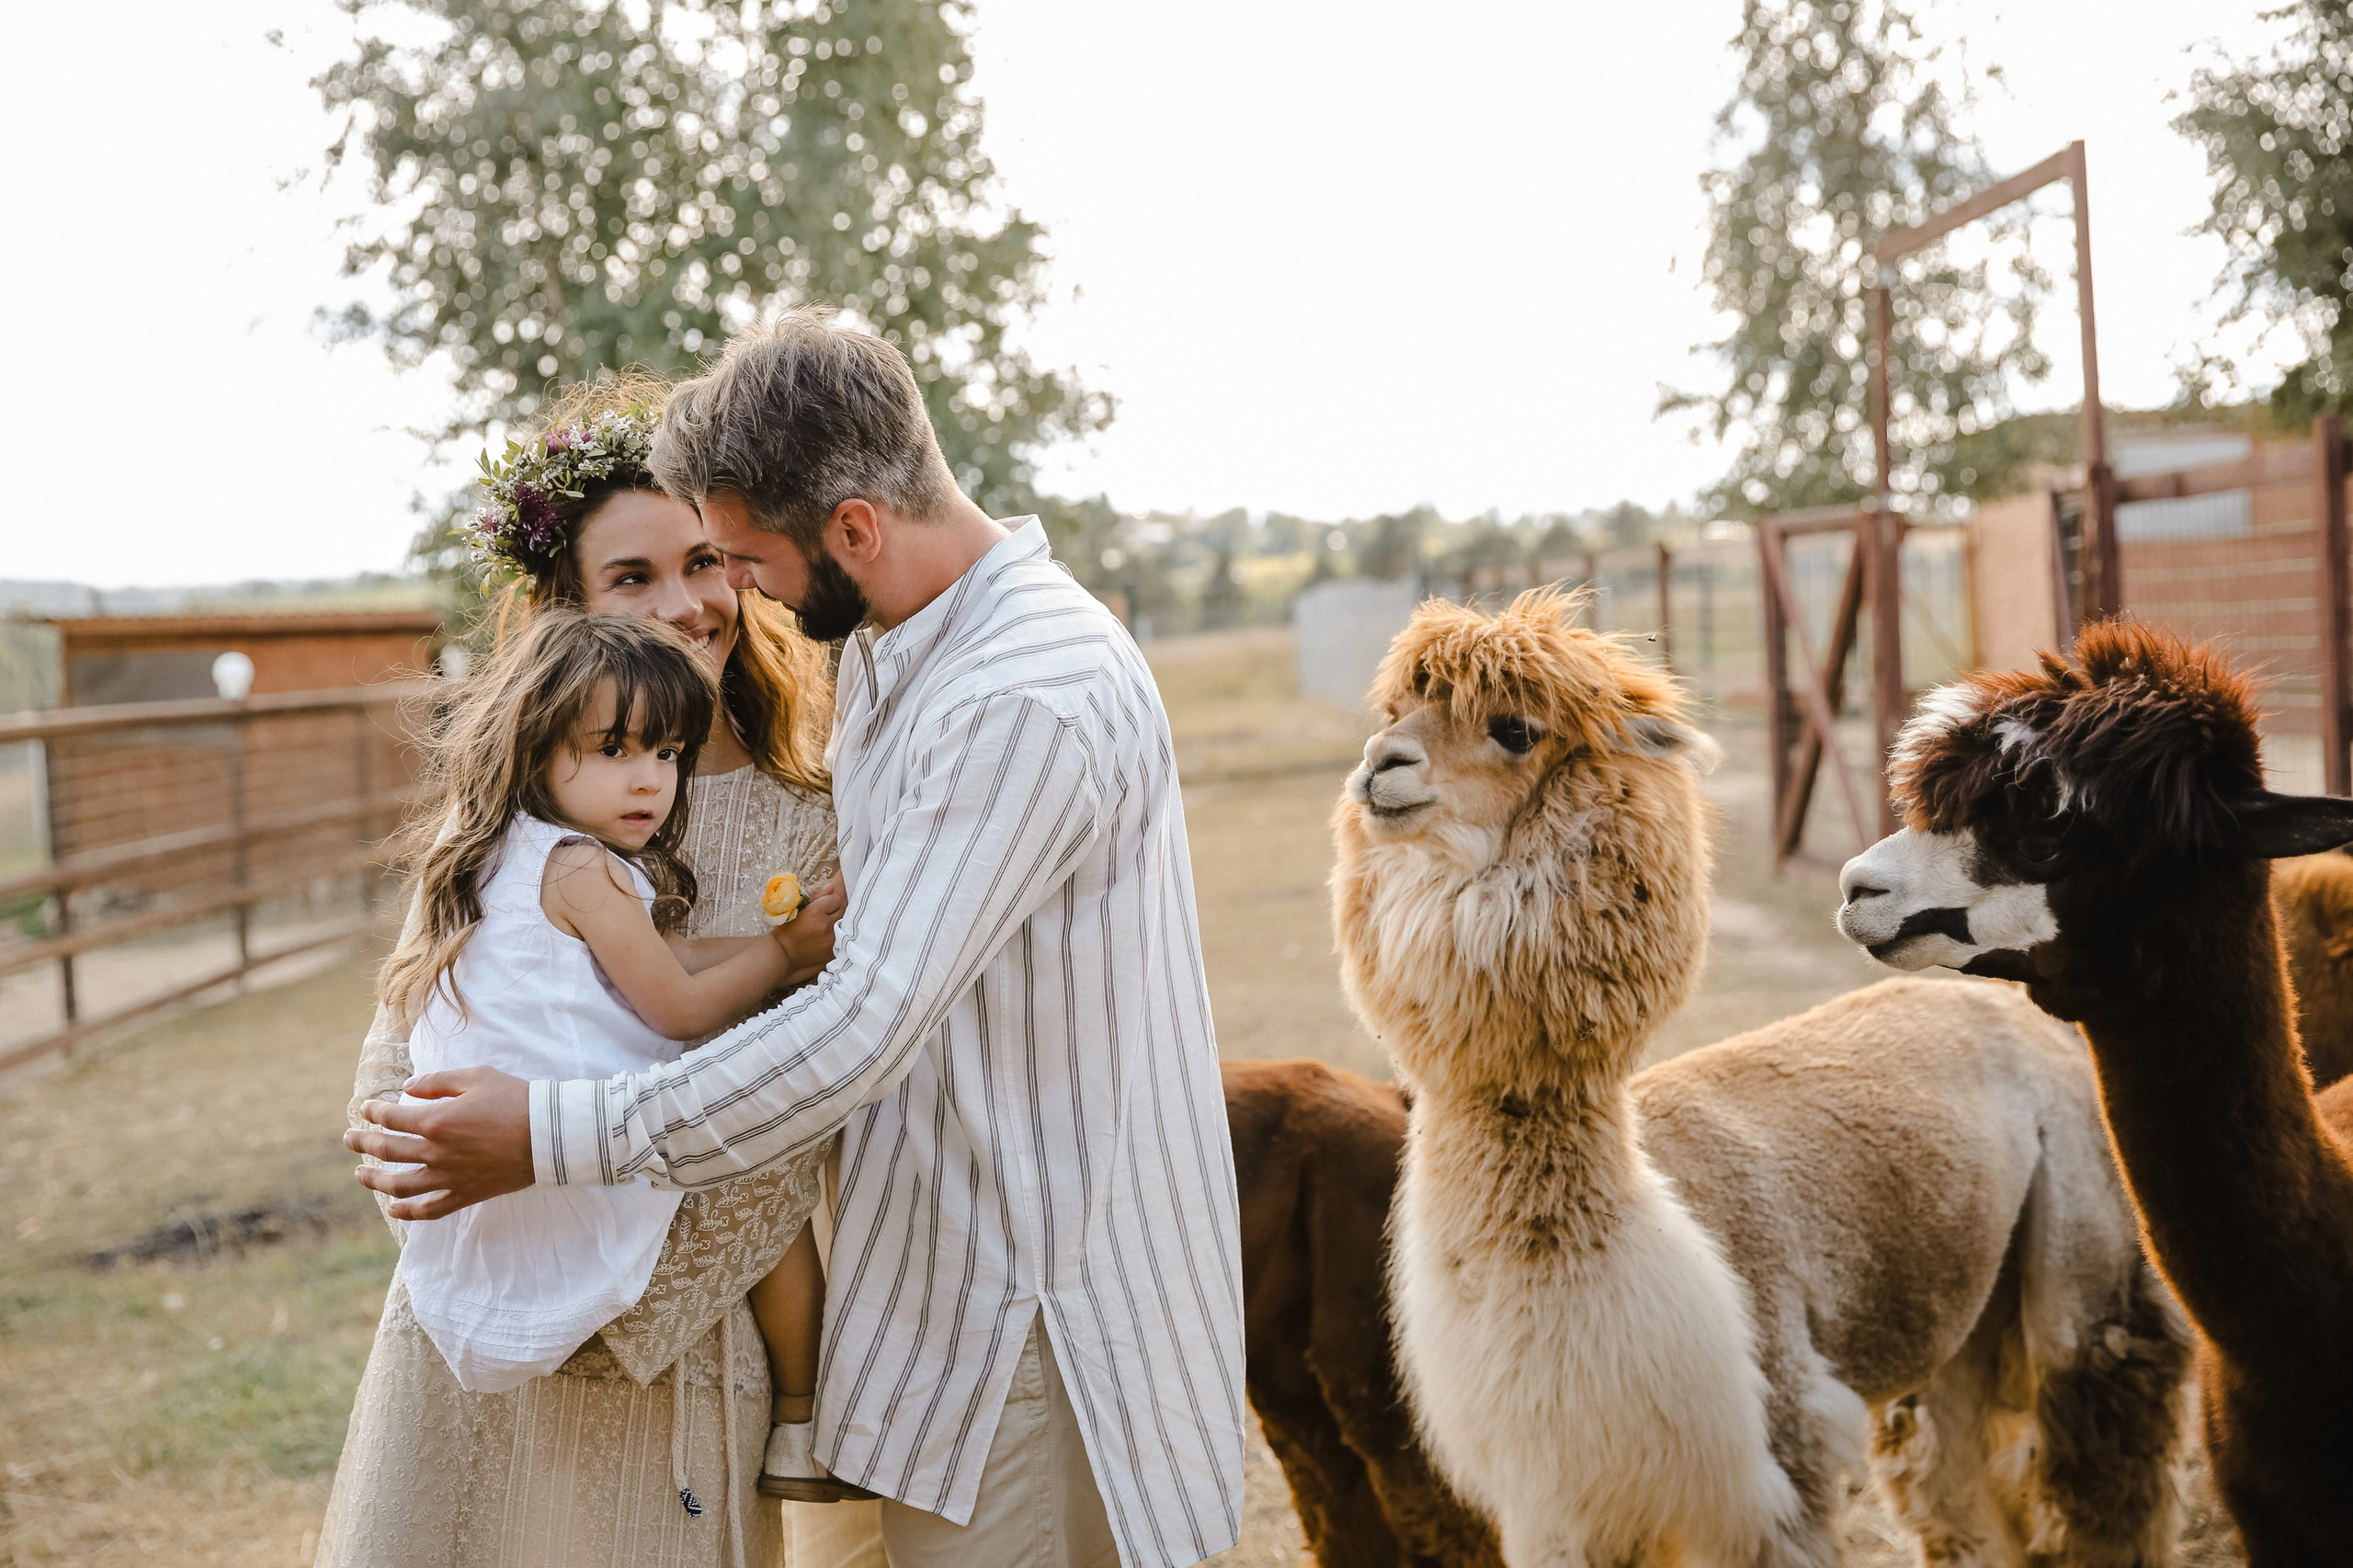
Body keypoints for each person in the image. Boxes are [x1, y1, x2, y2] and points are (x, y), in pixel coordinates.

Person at [346, 308, 1247, 1568]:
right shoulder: (899, 659)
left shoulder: (1022, 700)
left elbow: (859, 1024)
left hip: (1034, 1320)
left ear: (855, 530)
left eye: (743, 558)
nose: (732, 592)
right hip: (933, 1310)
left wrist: (550, 1137)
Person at [319, 382, 873, 1568]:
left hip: (672, 1352)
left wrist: (621, 1306)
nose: (684, 603)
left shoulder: (811, 824)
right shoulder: (510, 825)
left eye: (706, 561)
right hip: (481, 1315)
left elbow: (795, 1100)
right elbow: (412, 1045)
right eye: (632, 577)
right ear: (570, 607)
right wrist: (415, 1156)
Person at [372, 608, 861, 1506]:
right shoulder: (581, 870)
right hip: (562, 1155)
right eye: (613, 750)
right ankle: (808, 1411)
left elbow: (659, 956)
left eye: (669, 753)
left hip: (510, 1159)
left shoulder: (504, 852)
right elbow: (673, 1005)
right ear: (537, 744)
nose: (650, 781)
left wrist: (766, 940)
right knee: (766, 1165)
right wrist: (785, 958)